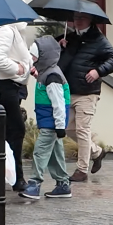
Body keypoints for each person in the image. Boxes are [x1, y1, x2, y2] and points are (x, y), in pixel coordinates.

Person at [62, 13, 113, 181]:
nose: (78, 21)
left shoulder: (98, 39)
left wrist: (98, 71)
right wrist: (61, 46)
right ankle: (97, 152)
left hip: (87, 93)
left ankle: (82, 170)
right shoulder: (70, 38)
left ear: (90, 20)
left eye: (82, 18)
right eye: (75, 18)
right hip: (69, 90)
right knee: (67, 129)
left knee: (82, 130)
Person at [24, 35, 74, 199]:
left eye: (34, 57)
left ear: (43, 57)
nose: (32, 59)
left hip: (50, 123)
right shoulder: (48, 73)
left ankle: (34, 185)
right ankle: (63, 184)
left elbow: (58, 103)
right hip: (51, 122)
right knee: (55, 154)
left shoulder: (53, 77)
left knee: (40, 152)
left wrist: (59, 126)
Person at [0, 20, 34, 193]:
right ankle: (16, 178)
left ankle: (8, 176)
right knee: (15, 132)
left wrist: (28, 66)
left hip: (11, 87)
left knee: (8, 133)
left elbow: (21, 57)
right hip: (6, 87)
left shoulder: (13, 31)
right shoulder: (6, 31)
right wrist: (18, 69)